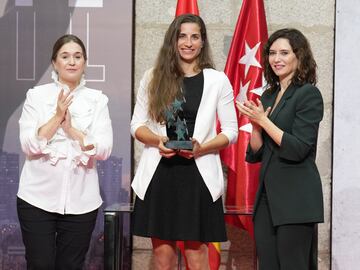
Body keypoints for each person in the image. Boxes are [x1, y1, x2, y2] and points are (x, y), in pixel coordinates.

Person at [131, 14, 238, 270]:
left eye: (195, 36)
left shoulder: (217, 80)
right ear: (173, 40)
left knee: (197, 255)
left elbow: (231, 131)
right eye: (182, 36)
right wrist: (159, 141)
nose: (188, 42)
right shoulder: (153, 76)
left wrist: (203, 147)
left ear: (202, 42)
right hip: (160, 173)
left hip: (198, 175)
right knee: (163, 257)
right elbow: (137, 125)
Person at [17, 34, 113, 270]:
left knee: (71, 265)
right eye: (65, 56)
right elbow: (28, 144)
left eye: (77, 56)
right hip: (37, 198)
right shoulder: (36, 96)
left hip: (82, 202)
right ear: (54, 63)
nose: (72, 62)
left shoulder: (98, 101)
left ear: (85, 63)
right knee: (40, 265)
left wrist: (72, 130)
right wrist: (57, 117)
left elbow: (104, 149)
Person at [236, 28, 324, 270]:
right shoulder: (268, 95)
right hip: (267, 198)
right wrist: (255, 126)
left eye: (284, 52)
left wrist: (264, 121)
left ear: (299, 56)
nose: (277, 59)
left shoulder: (308, 94)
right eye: (273, 53)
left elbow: (299, 149)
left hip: (296, 199)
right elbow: (257, 153)